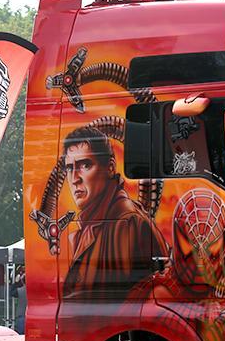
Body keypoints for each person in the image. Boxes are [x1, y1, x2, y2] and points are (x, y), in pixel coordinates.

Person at [60, 127, 162, 300]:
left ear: (110, 168)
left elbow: (119, 307)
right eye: (70, 168)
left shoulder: (125, 224)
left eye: (85, 165)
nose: (75, 178)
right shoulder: (95, 222)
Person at [11, 269, 27, 335]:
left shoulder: (20, 290)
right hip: (33, 316)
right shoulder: (36, 290)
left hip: (21, 316)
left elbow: (12, 293)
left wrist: (16, 282)